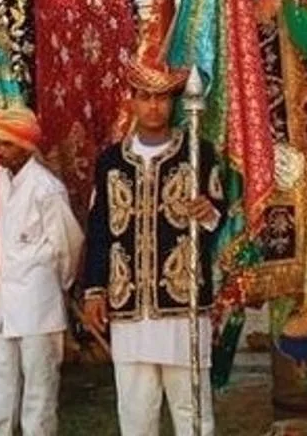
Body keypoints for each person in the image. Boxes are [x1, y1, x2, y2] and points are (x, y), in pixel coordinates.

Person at [82, 55, 221, 436]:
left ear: (173, 102)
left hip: (182, 306)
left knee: (192, 411)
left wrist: (208, 211)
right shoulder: (111, 162)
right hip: (129, 307)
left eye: (161, 98)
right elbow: (99, 230)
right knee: (136, 411)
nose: (154, 106)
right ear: (131, 101)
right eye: (145, 97)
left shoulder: (198, 153)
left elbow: (218, 221)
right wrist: (94, 290)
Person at [0, 107, 83, 436]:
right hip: (4, 298)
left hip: (39, 300)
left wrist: (58, 284)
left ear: (25, 146)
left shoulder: (46, 188)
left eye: (6, 144)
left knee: (39, 383)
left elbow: (69, 243)